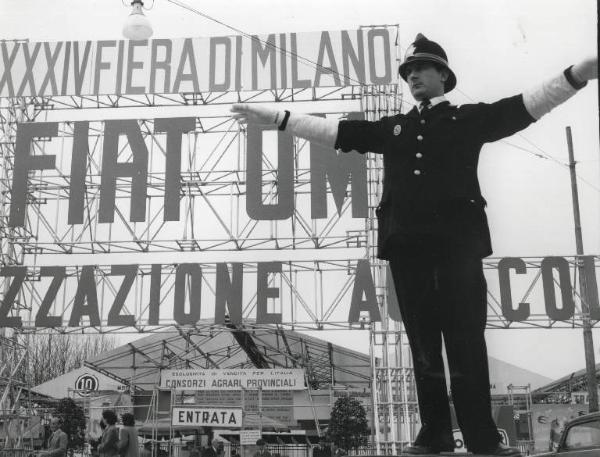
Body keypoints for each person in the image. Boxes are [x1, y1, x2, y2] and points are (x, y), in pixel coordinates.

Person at [231, 33, 598, 457]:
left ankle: (480, 435)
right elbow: (338, 132)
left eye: (420, 69)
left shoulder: (467, 119)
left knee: (465, 342)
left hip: (458, 247)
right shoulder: (393, 129)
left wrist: (577, 75)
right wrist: (277, 117)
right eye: (407, 72)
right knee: (423, 345)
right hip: (407, 248)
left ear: (443, 75)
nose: (412, 77)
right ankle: (435, 432)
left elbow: (523, 107)